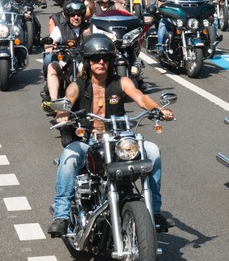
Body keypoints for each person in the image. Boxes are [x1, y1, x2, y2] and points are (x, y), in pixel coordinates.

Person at [48, 34, 175, 237]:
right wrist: (63, 113)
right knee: (69, 157)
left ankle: (155, 212)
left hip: (119, 138)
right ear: (87, 62)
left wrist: (159, 109)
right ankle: (61, 216)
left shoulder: (122, 82)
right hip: (89, 140)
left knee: (153, 151)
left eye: (105, 58)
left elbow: (141, 98)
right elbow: (69, 98)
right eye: (95, 59)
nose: (100, 62)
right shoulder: (79, 85)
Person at [42, 0, 91, 108]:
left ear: (83, 16)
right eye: (73, 15)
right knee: (52, 67)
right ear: (68, 16)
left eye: (79, 14)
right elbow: (52, 40)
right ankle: (54, 102)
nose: (76, 17)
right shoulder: (60, 28)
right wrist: (50, 46)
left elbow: (101, 38)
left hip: (85, 61)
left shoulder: (90, 27)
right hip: (65, 60)